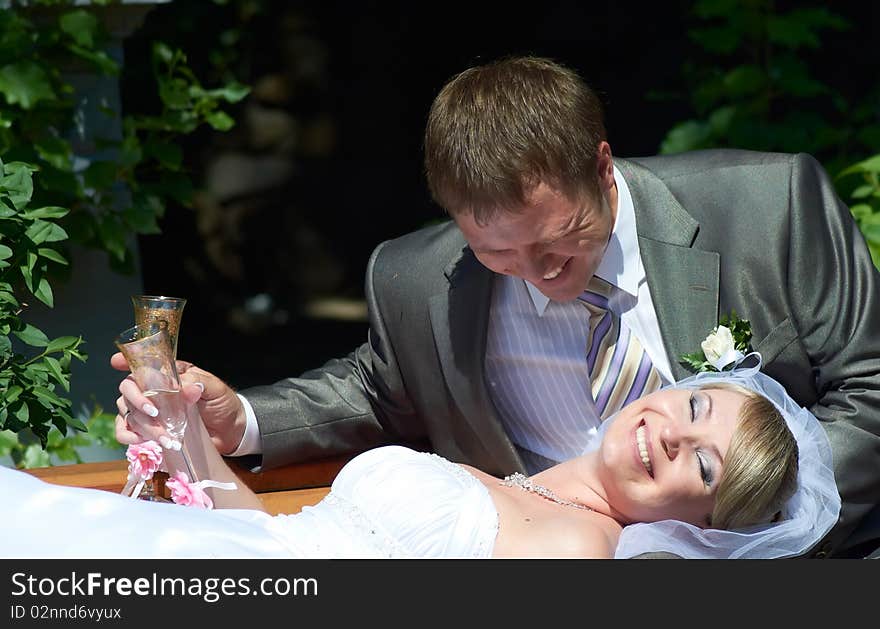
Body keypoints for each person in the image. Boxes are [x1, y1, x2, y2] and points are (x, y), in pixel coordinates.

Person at [113, 56, 880, 557]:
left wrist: (752, 534)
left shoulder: (768, 205)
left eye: (562, 239)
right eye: (498, 254)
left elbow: (873, 396)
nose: (541, 274)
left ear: (603, 168)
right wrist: (236, 419)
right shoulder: (415, 275)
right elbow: (378, 386)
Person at [2, 368, 839, 559]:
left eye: (704, 465)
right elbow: (283, 535)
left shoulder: (582, 551)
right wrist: (184, 434)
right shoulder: (512, 483)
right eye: (695, 408)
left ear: (698, 523)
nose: (670, 434)